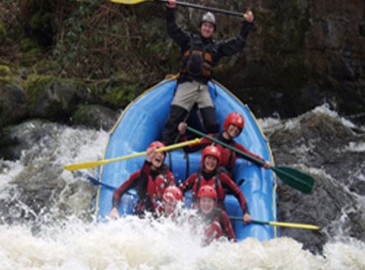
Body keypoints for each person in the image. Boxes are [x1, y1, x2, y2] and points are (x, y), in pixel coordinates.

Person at [161, 0, 256, 145]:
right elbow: (172, 28)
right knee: (173, 120)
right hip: (186, 85)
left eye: (210, 27)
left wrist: (247, 25)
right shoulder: (188, 41)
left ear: (213, 30)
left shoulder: (216, 48)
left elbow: (237, 44)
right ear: (201, 27)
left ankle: (213, 150)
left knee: (212, 124)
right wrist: (170, 9)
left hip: (203, 89)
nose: (207, 28)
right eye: (205, 25)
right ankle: (163, 151)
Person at [178, 112, 272, 176]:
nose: (235, 130)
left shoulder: (235, 147)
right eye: (233, 126)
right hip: (206, 175)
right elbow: (188, 149)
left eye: (238, 129)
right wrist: (182, 134)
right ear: (227, 124)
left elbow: (249, 155)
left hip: (223, 179)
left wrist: (263, 162)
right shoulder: (211, 139)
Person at [180, 145, 251, 223]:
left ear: (217, 162)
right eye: (209, 158)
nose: (211, 162)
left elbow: (238, 193)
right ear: (203, 160)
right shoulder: (196, 177)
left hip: (217, 215)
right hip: (198, 213)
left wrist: (246, 212)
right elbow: (180, 190)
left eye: (214, 159)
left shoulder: (222, 178)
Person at [109, 141, 175, 219]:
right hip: (143, 214)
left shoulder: (167, 176)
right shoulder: (139, 175)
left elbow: (173, 197)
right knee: (146, 179)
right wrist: (115, 208)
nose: (160, 155)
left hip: (160, 216)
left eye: (162, 154)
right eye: (157, 152)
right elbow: (118, 192)